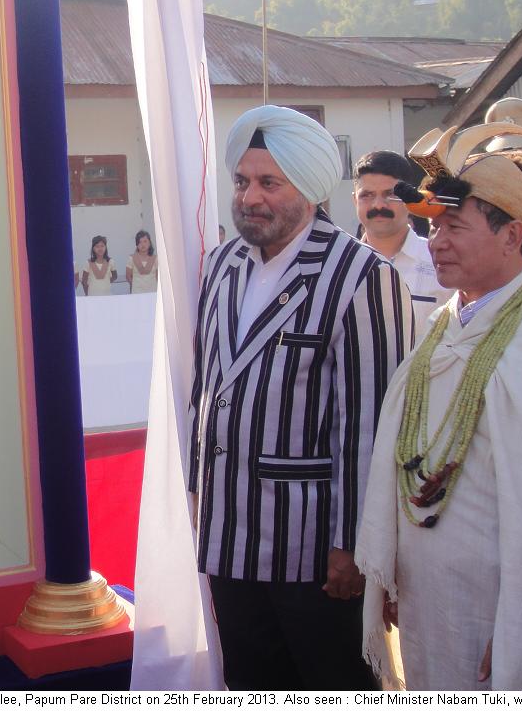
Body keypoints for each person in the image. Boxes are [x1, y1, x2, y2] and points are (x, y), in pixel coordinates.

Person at [357, 126, 522, 691]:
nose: (437, 241)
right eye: (434, 226)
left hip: (497, 616)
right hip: (428, 606)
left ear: (511, 234)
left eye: (455, 227)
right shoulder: (444, 322)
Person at [190, 105, 413, 690]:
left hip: (313, 551)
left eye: (269, 183)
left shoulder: (361, 275)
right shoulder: (221, 265)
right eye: (242, 182)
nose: (250, 198)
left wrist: (354, 545)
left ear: (310, 189)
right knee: (250, 681)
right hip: (229, 535)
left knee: (329, 681)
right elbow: (207, 386)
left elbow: (369, 420)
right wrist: (194, 493)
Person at [353, 150, 452, 326]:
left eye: (390, 194)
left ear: (410, 197)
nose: (378, 205)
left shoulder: (441, 263)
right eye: (367, 195)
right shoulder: (341, 264)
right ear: (355, 201)